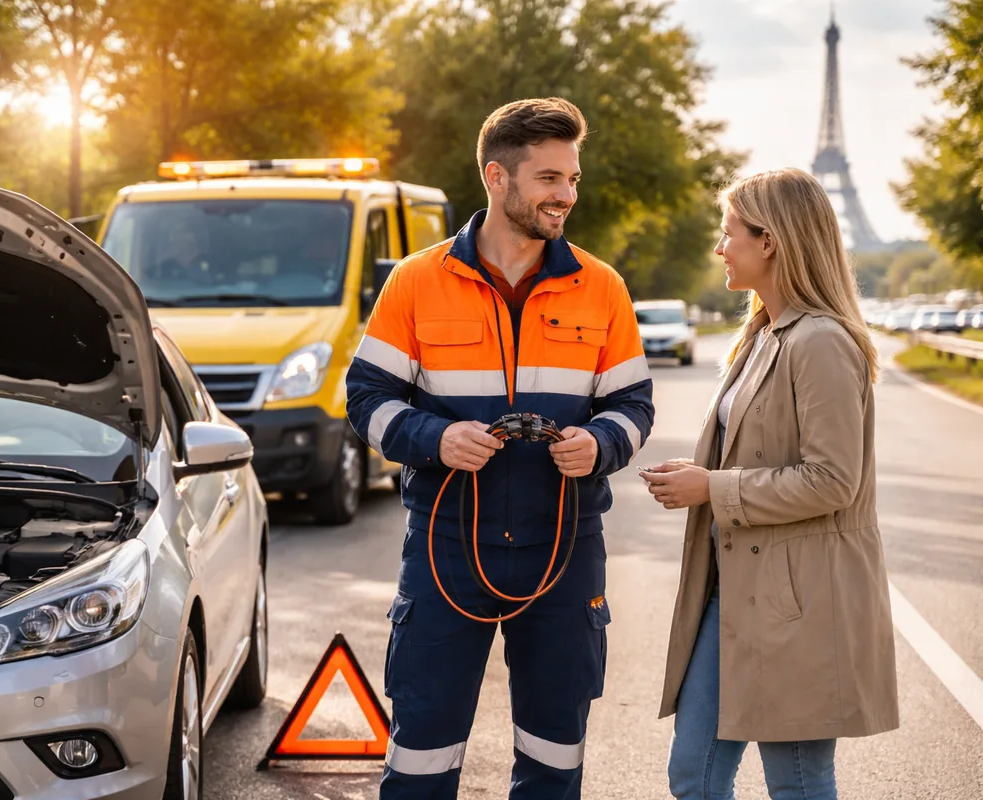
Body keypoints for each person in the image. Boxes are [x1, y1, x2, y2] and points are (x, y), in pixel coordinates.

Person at [345, 97, 654, 799]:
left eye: (572, 179)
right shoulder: (416, 281)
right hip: (445, 544)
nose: (566, 196)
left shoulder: (601, 287)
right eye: (549, 178)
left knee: (554, 758)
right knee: (421, 752)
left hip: (567, 546)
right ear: (498, 177)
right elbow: (363, 401)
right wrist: (434, 437)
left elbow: (633, 405)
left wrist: (601, 442)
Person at [641, 168, 899, 800]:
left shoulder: (820, 342)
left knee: (797, 781)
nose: (719, 247)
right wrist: (703, 477)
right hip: (732, 590)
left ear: (771, 240)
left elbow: (834, 480)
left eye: (728, 232)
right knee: (693, 777)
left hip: (800, 600)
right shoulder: (758, 335)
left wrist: (714, 489)